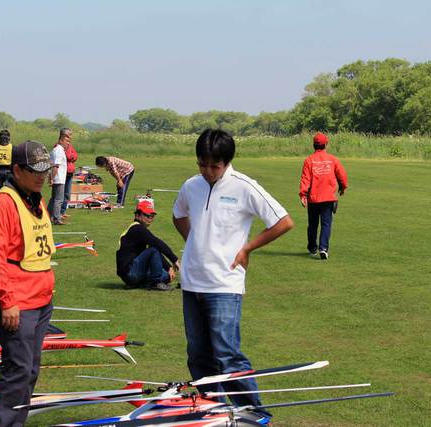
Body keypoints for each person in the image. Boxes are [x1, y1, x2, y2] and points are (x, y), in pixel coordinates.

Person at [172, 129, 294, 417]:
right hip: (192, 282)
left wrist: (247, 248)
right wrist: (195, 243)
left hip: (224, 285)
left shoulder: (244, 187)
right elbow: (178, 215)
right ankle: (212, 411)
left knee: (227, 354)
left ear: (227, 162)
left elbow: (283, 222)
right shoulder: (191, 185)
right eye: (202, 164)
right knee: (198, 355)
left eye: (214, 165)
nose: (208, 171)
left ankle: (253, 414)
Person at [0, 140, 55, 427]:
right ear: (16, 170)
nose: (42, 176)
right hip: (17, 303)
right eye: (34, 170)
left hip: (41, 300)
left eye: (45, 170)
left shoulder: (35, 199)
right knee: (18, 371)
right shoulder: (1, 204)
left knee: (30, 371)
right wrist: (6, 300)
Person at [299, 132, 348, 260]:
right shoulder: (333, 159)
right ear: (326, 144)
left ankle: (312, 247)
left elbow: (305, 179)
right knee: (326, 224)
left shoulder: (309, 160)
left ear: (314, 145)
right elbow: (342, 175)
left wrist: (303, 195)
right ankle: (323, 248)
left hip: (313, 198)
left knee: (312, 224)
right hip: (328, 198)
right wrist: (343, 187)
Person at [117, 200, 180, 291]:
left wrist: (169, 267)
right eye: (147, 215)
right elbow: (156, 243)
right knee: (154, 249)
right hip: (130, 272)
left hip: (132, 273)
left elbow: (153, 250)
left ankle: (143, 283)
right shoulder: (137, 229)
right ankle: (155, 283)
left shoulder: (139, 230)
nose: (150, 218)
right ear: (137, 215)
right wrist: (175, 260)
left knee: (167, 276)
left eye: (152, 216)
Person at [58, 128, 78, 219]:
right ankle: (56, 213)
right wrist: (71, 157)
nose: (71, 137)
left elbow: (75, 156)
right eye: (69, 135)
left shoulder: (70, 145)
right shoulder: (60, 146)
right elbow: (68, 156)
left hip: (70, 173)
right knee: (59, 195)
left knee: (67, 194)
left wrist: (71, 157)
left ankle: (63, 211)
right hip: (63, 173)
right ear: (64, 135)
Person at [48, 136, 67, 225]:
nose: (68, 143)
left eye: (69, 141)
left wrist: (51, 177)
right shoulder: (59, 150)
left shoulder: (57, 150)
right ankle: (56, 218)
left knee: (54, 199)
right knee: (58, 199)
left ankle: (49, 216)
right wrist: (52, 178)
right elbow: (55, 166)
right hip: (59, 178)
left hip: (58, 178)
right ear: (60, 140)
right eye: (66, 141)